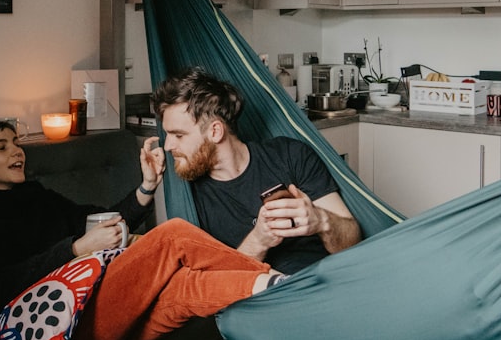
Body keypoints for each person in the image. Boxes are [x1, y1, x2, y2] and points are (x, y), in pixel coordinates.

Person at [0, 121, 285, 340]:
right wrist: (74, 250)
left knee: (185, 288)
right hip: (56, 321)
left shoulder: (38, 198)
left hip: (99, 304)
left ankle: (282, 289)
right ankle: (298, 286)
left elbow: (103, 220)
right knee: (173, 235)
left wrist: (147, 186)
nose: (16, 151)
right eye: (1, 147)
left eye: (16, 142)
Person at [151, 67, 362, 274]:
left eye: (178, 135)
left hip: (325, 282)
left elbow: (352, 241)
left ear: (215, 131)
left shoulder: (290, 155)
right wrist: (259, 240)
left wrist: (320, 220)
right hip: (262, 297)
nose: (167, 146)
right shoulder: (189, 196)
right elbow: (211, 288)